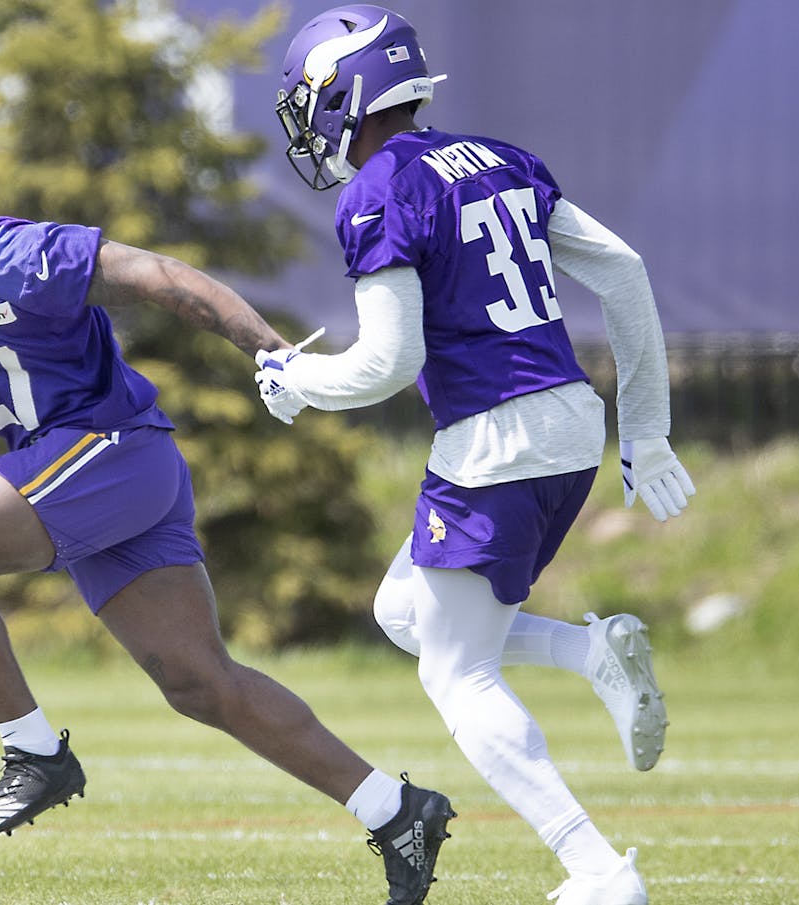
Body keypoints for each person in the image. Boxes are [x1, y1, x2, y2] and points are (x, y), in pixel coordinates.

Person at [0, 115, 455, 904]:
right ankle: (398, 811)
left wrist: (272, 352)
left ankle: (33, 752)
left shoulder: (11, 254)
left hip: (108, 447)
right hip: (86, 473)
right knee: (200, 683)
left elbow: (160, 277)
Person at [257, 6, 696, 905]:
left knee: (457, 674)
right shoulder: (502, 158)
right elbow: (626, 273)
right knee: (402, 608)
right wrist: (643, 429)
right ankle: (592, 656)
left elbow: (389, 362)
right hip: (570, 423)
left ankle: (599, 871)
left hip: (495, 437)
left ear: (346, 90)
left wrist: (299, 385)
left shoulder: (379, 188)